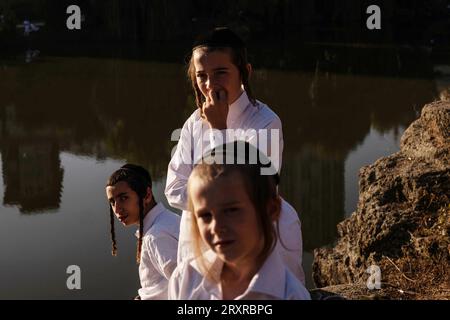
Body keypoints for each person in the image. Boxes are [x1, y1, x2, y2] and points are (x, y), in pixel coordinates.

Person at [165, 27, 305, 283]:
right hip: (197, 242)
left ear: (244, 72)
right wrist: (213, 209)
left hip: (253, 244)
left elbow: (253, 192)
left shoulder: (265, 123)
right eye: (201, 76)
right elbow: (173, 188)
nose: (209, 85)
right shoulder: (194, 123)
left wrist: (219, 130)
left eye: (220, 73)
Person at [168, 142, 310, 300]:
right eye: (205, 215)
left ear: (271, 210)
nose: (216, 227)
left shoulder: (291, 295)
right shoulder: (184, 279)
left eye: (231, 210)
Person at [106, 164, 180, 299]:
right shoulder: (170, 219)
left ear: (147, 195)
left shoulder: (156, 236)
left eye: (123, 198)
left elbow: (188, 290)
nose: (117, 210)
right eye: (112, 202)